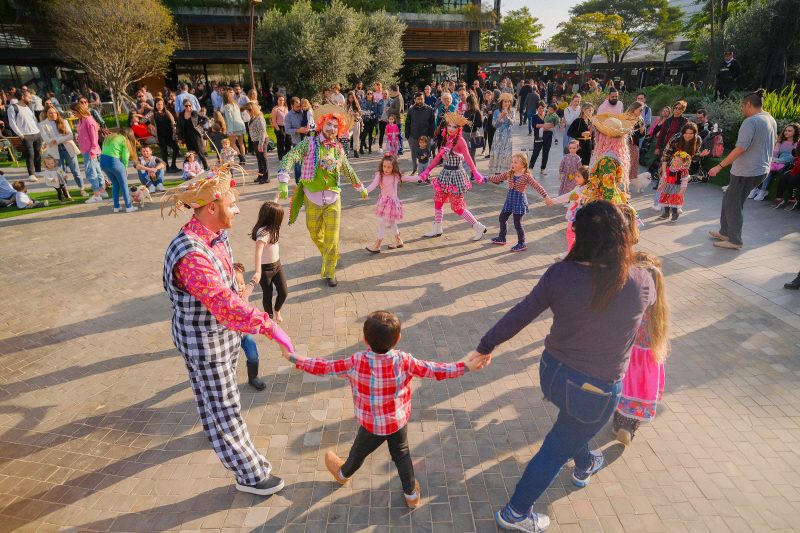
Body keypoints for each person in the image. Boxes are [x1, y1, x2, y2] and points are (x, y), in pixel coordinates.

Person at [475, 200, 655, 533]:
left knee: (573, 425)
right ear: (623, 236)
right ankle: (515, 514)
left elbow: (521, 313)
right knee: (556, 448)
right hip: (596, 391)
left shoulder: (559, 274)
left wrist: (485, 346)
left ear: (579, 234)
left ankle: (585, 463)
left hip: (552, 375)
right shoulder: (641, 280)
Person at [162, 172, 292, 496]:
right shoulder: (191, 254)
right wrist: (271, 327)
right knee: (225, 406)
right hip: (204, 340)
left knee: (217, 399)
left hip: (223, 335)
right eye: (232, 204)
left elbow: (228, 290)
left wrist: (241, 285)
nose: (237, 211)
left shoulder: (216, 232)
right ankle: (251, 475)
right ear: (211, 207)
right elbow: (223, 305)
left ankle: (216, 428)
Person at [283, 310, 489, 508]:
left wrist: (293, 357)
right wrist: (465, 366)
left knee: (359, 452)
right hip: (398, 421)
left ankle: (343, 474)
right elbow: (436, 370)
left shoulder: (355, 362)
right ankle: (411, 494)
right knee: (401, 454)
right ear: (398, 338)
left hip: (371, 423)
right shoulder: (404, 361)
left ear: (365, 339)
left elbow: (323, 367)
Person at [277, 104, 368, 287]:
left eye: (335, 126)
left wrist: (360, 187)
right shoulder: (309, 143)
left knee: (332, 238)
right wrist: (283, 179)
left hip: (334, 199)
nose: (332, 129)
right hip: (312, 198)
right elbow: (290, 156)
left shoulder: (338, 149)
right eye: (329, 125)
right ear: (321, 124)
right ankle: (330, 253)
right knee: (314, 233)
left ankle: (329, 270)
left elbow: (347, 168)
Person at [708, 89, 777, 250]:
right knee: (729, 199)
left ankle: (735, 240)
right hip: (760, 169)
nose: (741, 109)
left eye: (742, 106)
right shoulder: (769, 118)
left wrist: (719, 166)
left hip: (746, 171)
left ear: (748, 104)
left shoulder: (751, 121)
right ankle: (725, 232)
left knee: (734, 204)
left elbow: (740, 148)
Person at [418, 112, 487, 240]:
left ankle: (478, 227)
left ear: (459, 128)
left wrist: (475, 172)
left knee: (457, 207)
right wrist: (427, 170)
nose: (450, 128)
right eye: (449, 125)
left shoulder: (460, 141)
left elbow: (468, 157)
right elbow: (438, 157)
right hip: (445, 174)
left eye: (454, 126)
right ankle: (437, 227)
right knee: (438, 200)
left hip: (456, 176)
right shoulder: (446, 138)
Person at [487, 152, 553, 253]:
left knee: (517, 223)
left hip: (519, 201)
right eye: (512, 162)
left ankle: (521, 243)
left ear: (523, 164)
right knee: (502, 218)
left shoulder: (527, 176)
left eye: (516, 162)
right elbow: (498, 177)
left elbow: (537, 186)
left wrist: (546, 196)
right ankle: (502, 238)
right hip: (509, 200)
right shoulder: (510, 172)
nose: (513, 164)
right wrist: (486, 178)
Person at [364, 155, 421, 253]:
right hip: (384, 202)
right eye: (384, 166)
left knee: (383, 223)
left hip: (392, 204)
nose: (386, 169)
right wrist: (366, 191)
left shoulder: (396, 176)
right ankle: (399, 241)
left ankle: (377, 245)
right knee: (391, 222)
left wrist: (421, 177)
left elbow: (408, 178)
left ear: (393, 167)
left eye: (389, 167)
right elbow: (373, 184)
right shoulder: (380, 175)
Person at [231, 263, 267, 391]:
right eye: (237, 283)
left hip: (245, 335)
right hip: (230, 338)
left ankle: (253, 377)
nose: (241, 287)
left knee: (253, 356)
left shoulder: (244, 293)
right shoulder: (225, 301)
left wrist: (254, 279)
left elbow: (250, 285)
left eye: (242, 283)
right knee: (226, 362)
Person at [250, 201, 288, 322]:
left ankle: (277, 310)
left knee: (283, 292)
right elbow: (258, 252)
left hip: (277, 266)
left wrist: (276, 199)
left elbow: (272, 207)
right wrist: (257, 271)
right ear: (273, 218)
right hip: (265, 270)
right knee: (268, 294)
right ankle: (269, 318)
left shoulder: (273, 227)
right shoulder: (264, 234)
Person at [748, 122, 798, 201]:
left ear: (795, 132)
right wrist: (772, 159)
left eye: (789, 131)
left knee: (769, 168)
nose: (786, 132)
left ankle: (763, 190)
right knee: (765, 166)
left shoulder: (796, 144)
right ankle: (756, 188)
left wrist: (778, 160)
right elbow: (775, 153)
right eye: (786, 130)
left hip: (788, 164)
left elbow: (792, 157)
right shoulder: (780, 141)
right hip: (777, 163)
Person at [72, 101, 107, 204]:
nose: (73, 114)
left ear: (79, 110)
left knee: (91, 172)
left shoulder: (89, 120)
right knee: (95, 169)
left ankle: (96, 194)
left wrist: (92, 150)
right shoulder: (81, 120)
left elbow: (94, 137)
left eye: (74, 112)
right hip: (86, 149)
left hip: (90, 150)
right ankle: (102, 191)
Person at [549, 165, 589, 254]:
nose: (575, 178)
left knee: (570, 235)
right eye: (576, 175)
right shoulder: (583, 189)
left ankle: (571, 254)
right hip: (580, 218)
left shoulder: (580, 191)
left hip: (575, 218)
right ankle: (574, 253)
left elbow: (567, 197)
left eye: (578, 176)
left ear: (586, 178)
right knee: (577, 237)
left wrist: (553, 201)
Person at [7, 89, 43, 181]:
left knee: (38, 152)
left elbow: (33, 119)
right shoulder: (12, 107)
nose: (31, 98)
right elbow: (12, 123)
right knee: (30, 154)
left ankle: (38, 171)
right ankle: (31, 174)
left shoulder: (28, 107)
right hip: (26, 135)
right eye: (29, 97)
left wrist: (39, 131)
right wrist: (20, 135)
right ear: (22, 97)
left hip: (36, 133)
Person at [100, 129, 138, 213]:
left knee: (115, 185)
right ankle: (129, 206)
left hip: (102, 162)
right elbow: (125, 156)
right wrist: (125, 167)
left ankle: (116, 207)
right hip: (114, 162)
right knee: (124, 185)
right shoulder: (124, 139)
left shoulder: (109, 137)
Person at [404, 92, 435, 175]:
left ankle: (426, 171)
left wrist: (430, 136)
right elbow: (407, 123)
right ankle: (415, 169)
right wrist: (407, 135)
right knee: (414, 154)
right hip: (413, 136)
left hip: (425, 137)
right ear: (415, 100)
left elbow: (432, 123)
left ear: (424, 99)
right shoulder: (411, 109)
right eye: (418, 99)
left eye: (421, 99)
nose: (420, 100)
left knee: (426, 154)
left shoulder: (429, 109)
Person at [657, 150, 691, 220]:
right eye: (675, 160)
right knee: (665, 199)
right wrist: (661, 185)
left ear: (683, 162)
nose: (675, 162)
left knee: (674, 201)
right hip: (667, 187)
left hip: (676, 188)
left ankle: (675, 213)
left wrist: (682, 191)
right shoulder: (669, 169)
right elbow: (665, 178)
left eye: (678, 161)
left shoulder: (683, 171)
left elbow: (684, 182)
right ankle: (666, 213)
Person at [177, 100, 209, 170]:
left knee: (200, 151)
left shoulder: (194, 113)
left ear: (191, 106)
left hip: (196, 135)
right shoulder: (181, 115)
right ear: (183, 106)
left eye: (189, 105)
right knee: (191, 153)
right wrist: (179, 138)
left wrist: (199, 125)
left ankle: (206, 166)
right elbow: (179, 127)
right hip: (187, 136)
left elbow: (206, 118)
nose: (188, 107)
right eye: (186, 105)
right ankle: (194, 167)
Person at [528, 102, 558, 176]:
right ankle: (530, 168)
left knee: (545, 153)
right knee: (536, 152)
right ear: (537, 109)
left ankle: (543, 169)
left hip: (548, 136)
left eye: (543, 108)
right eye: (540, 108)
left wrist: (546, 126)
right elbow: (535, 125)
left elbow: (553, 124)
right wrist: (545, 126)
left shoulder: (548, 116)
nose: (541, 110)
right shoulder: (534, 116)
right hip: (538, 136)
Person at [489, 93, 514, 173]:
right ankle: (497, 173)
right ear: (501, 102)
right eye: (505, 101)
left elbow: (512, 123)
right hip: (498, 136)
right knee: (497, 153)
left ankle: (504, 173)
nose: (506, 103)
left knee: (505, 154)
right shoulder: (496, 111)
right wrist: (500, 116)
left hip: (507, 136)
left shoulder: (512, 112)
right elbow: (494, 125)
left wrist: (506, 116)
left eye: (508, 101)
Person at [246, 101, 270, 184]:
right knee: (259, 159)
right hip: (255, 141)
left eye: (248, 110)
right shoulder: (253, 117)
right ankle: (261, 175)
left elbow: (262, 132)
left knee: (263, 158)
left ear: (253, 110)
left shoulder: (260, 118)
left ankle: (266, 177)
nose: (247, 112)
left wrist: (260, 144)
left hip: (261, 140)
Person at [223, 90, 246, 163]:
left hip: (233, 126)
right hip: (240, 125)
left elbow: (229, 119)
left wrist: (230, 130)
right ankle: (243, 158)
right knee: (241, 143)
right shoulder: (236, 104)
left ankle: (241, 157)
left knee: (232, 143)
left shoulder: (226, 106)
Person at [626, 101, 647, 181]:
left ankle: (628, 182)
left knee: (633, 164)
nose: (641, 112)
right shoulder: (626, 118)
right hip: (625, 145)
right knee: (625, 164)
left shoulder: (640, 119)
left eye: (642, 110)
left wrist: (642, 131)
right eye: (640, 110)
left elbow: (641, 135)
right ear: (634, 109)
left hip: (634, 145)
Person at [271, 95, 289, 160]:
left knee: (288, 141)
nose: (281, 101)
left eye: (283, 100)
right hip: (279, 127)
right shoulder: (275, 109)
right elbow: (273, 120)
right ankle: (281, 157)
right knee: (281, 142)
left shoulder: (286, 108)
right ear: (277, 101)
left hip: (286, 127)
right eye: (280, 100)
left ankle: (287, 156)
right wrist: (278, 130)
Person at [345, 92, 363, 159]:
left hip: (356, 122)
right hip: (349, 123)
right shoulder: (346, 105)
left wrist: (357, 114)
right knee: (347, 137)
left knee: (356, 137)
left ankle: (356, 151)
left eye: (352, 97)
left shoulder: (356, 104)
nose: (351, 99)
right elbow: (344, 113)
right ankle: (346, 151)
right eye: (350, 97)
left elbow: (360, 114)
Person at [360, 90, 378, 154]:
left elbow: (375, 112)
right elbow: (362, 110)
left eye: (371, 94)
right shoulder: (363, 101)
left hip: (372, 120)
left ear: (372, 95)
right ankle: (361, 148)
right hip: (365, 120)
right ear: (366, 94)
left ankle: (370, 148)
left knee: (370, 135)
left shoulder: (375, 102)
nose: (369, 95)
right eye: (368, 93)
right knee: (364, 134)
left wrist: (369, 112)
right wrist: (368, 112)